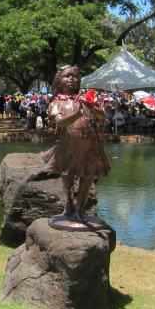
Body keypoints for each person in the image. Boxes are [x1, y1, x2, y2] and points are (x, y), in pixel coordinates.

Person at [41, 66, 109, 222]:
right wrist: (77, 114)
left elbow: (102, 116)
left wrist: (91, 106)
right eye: (67, 76)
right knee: (68, 177)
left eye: (75, 76)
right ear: (59, 80)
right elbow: (60, 122)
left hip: (90, 145)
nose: (71, 79)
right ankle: (70, 204)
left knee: (88, 177)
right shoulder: (57, 102)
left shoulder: (85, 100)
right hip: (68, 146)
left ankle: (81, 210)